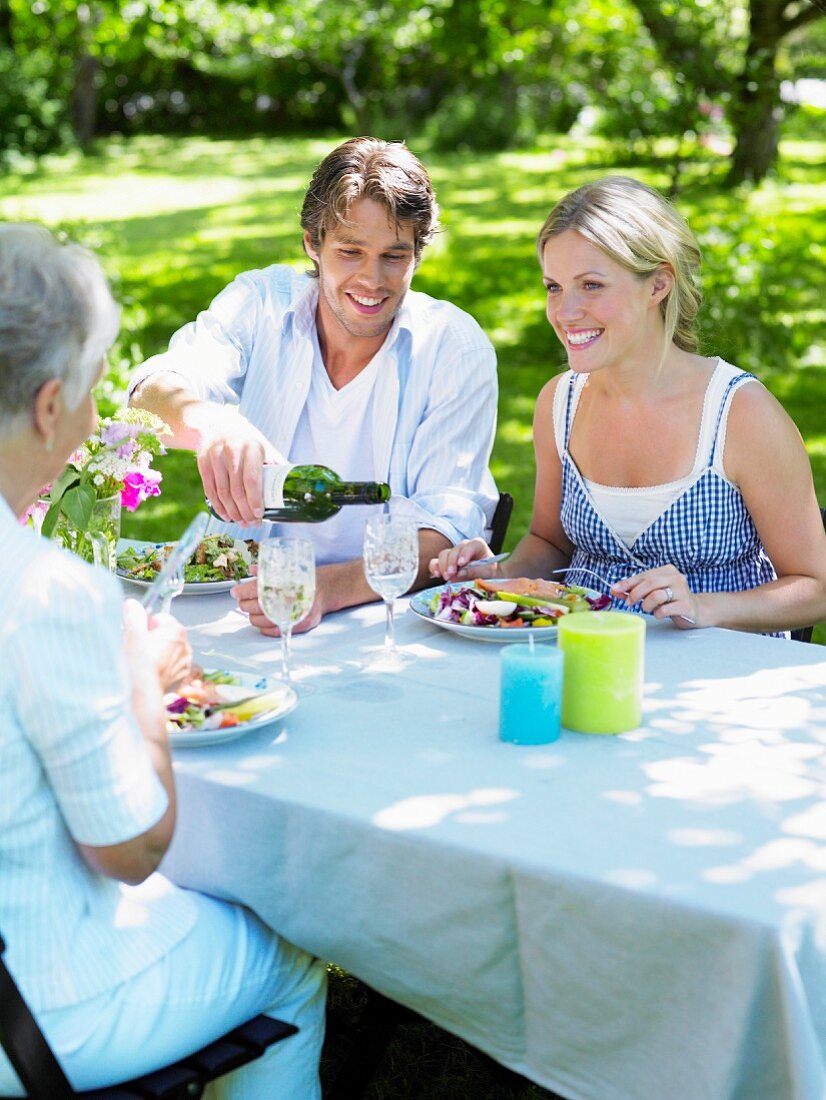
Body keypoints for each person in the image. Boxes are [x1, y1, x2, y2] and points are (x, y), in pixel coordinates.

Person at [0, 224, 326, 1098]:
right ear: (45, 404)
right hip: (31, 1010)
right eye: (90, 393)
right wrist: (141, 681)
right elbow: (132, 849)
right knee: (290, 968)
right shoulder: (46, 592)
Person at [128, 136, 498, 636]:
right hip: (236, 601)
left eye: (394, 256)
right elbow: (148, 392)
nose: (373, 279)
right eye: (350, 251)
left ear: (418, 254)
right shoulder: (260, 302)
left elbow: (446, 528)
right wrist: (212, 422)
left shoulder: (454, 346)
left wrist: (323, 589)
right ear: (312, 243)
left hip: (380, 621)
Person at [430, 176, 826, 636]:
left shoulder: (740, 413)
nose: (565, 311)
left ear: (658, 284)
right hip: (580, 658)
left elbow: (816, 586)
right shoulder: (559, 403)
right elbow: (548, 542)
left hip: (712, 675)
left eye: (592, 285)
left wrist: (702, 606)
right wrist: (498, 577)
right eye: (554, 287)